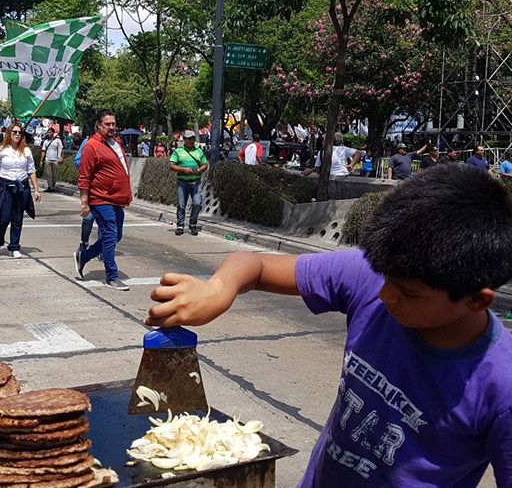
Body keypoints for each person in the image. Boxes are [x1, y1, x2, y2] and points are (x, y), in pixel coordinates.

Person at [145, 164, 512, 486]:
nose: (384, 296)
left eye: (408, 294)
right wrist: (218, 289)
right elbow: (253, 266)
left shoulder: (502, 387)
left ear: (476, 299)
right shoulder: (371, 278)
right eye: (384, 278)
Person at [73, 111, 132, 291]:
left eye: (113, 124)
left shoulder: (115, 143)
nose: (112, 127)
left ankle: (84, 256)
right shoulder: (92, 146)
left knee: (116, 236)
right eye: (107, 124)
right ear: (98, 125)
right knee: (109, 235)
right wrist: (84, 202)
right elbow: (84, 176)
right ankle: (111, 276)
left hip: (116, 198)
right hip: (100, 198)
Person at [0, 123, 41, 258]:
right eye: (14, 132)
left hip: (22, 186)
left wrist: (36, 190)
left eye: (19, 132)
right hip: (5, 186)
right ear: (9, 134)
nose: (17, 135)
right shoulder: (0, 150)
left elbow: (31, 171)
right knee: (4, 218)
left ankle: (14, 246)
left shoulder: (26, 151)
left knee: (17, 218)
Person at [169, 130, 208, 236]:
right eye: (188, 139)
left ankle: (193, 224)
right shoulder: (178, 152)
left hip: (196, 182)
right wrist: (183, 170)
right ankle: (180, 226)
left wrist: (200, 170)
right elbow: (172, 165)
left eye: (192, 138)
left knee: (197, 203)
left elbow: (205, 164)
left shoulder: (199, 151)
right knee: (181, 205)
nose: (190, 141)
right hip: (182, 182)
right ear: (184, 140)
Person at [40, 128, 63, 192]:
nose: (48, 133)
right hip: (48, 159)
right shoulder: (46, 141)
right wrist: (41, 160)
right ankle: (50, 186)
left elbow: (61, 149)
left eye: (50, 132)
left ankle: (53, 186)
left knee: (54, 174)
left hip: (55, 159)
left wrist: (60, 157)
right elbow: (43, 151)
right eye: (48, 132)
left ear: (53, 133)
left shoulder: (57, 140)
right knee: (48, 174)